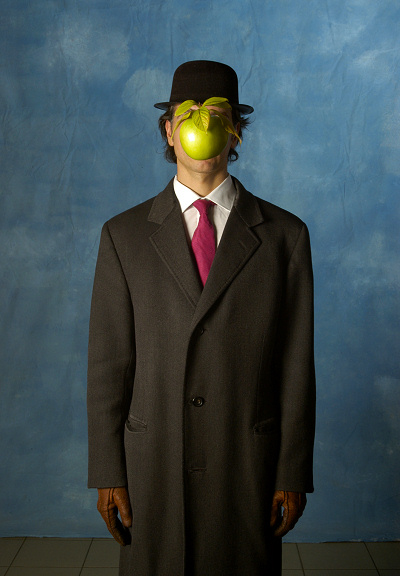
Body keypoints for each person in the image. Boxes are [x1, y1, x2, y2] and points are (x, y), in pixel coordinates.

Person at [87, 60, 316, 576]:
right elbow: (108, 364)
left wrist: (292, 471)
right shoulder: (123, 236)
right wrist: (108, 470)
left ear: (235, 131)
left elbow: (296, 365)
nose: (201, 127)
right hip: (154, 461)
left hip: (246, 461)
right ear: (170, 131)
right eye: (187, 116)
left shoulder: (285, 236)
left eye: (218, 116)